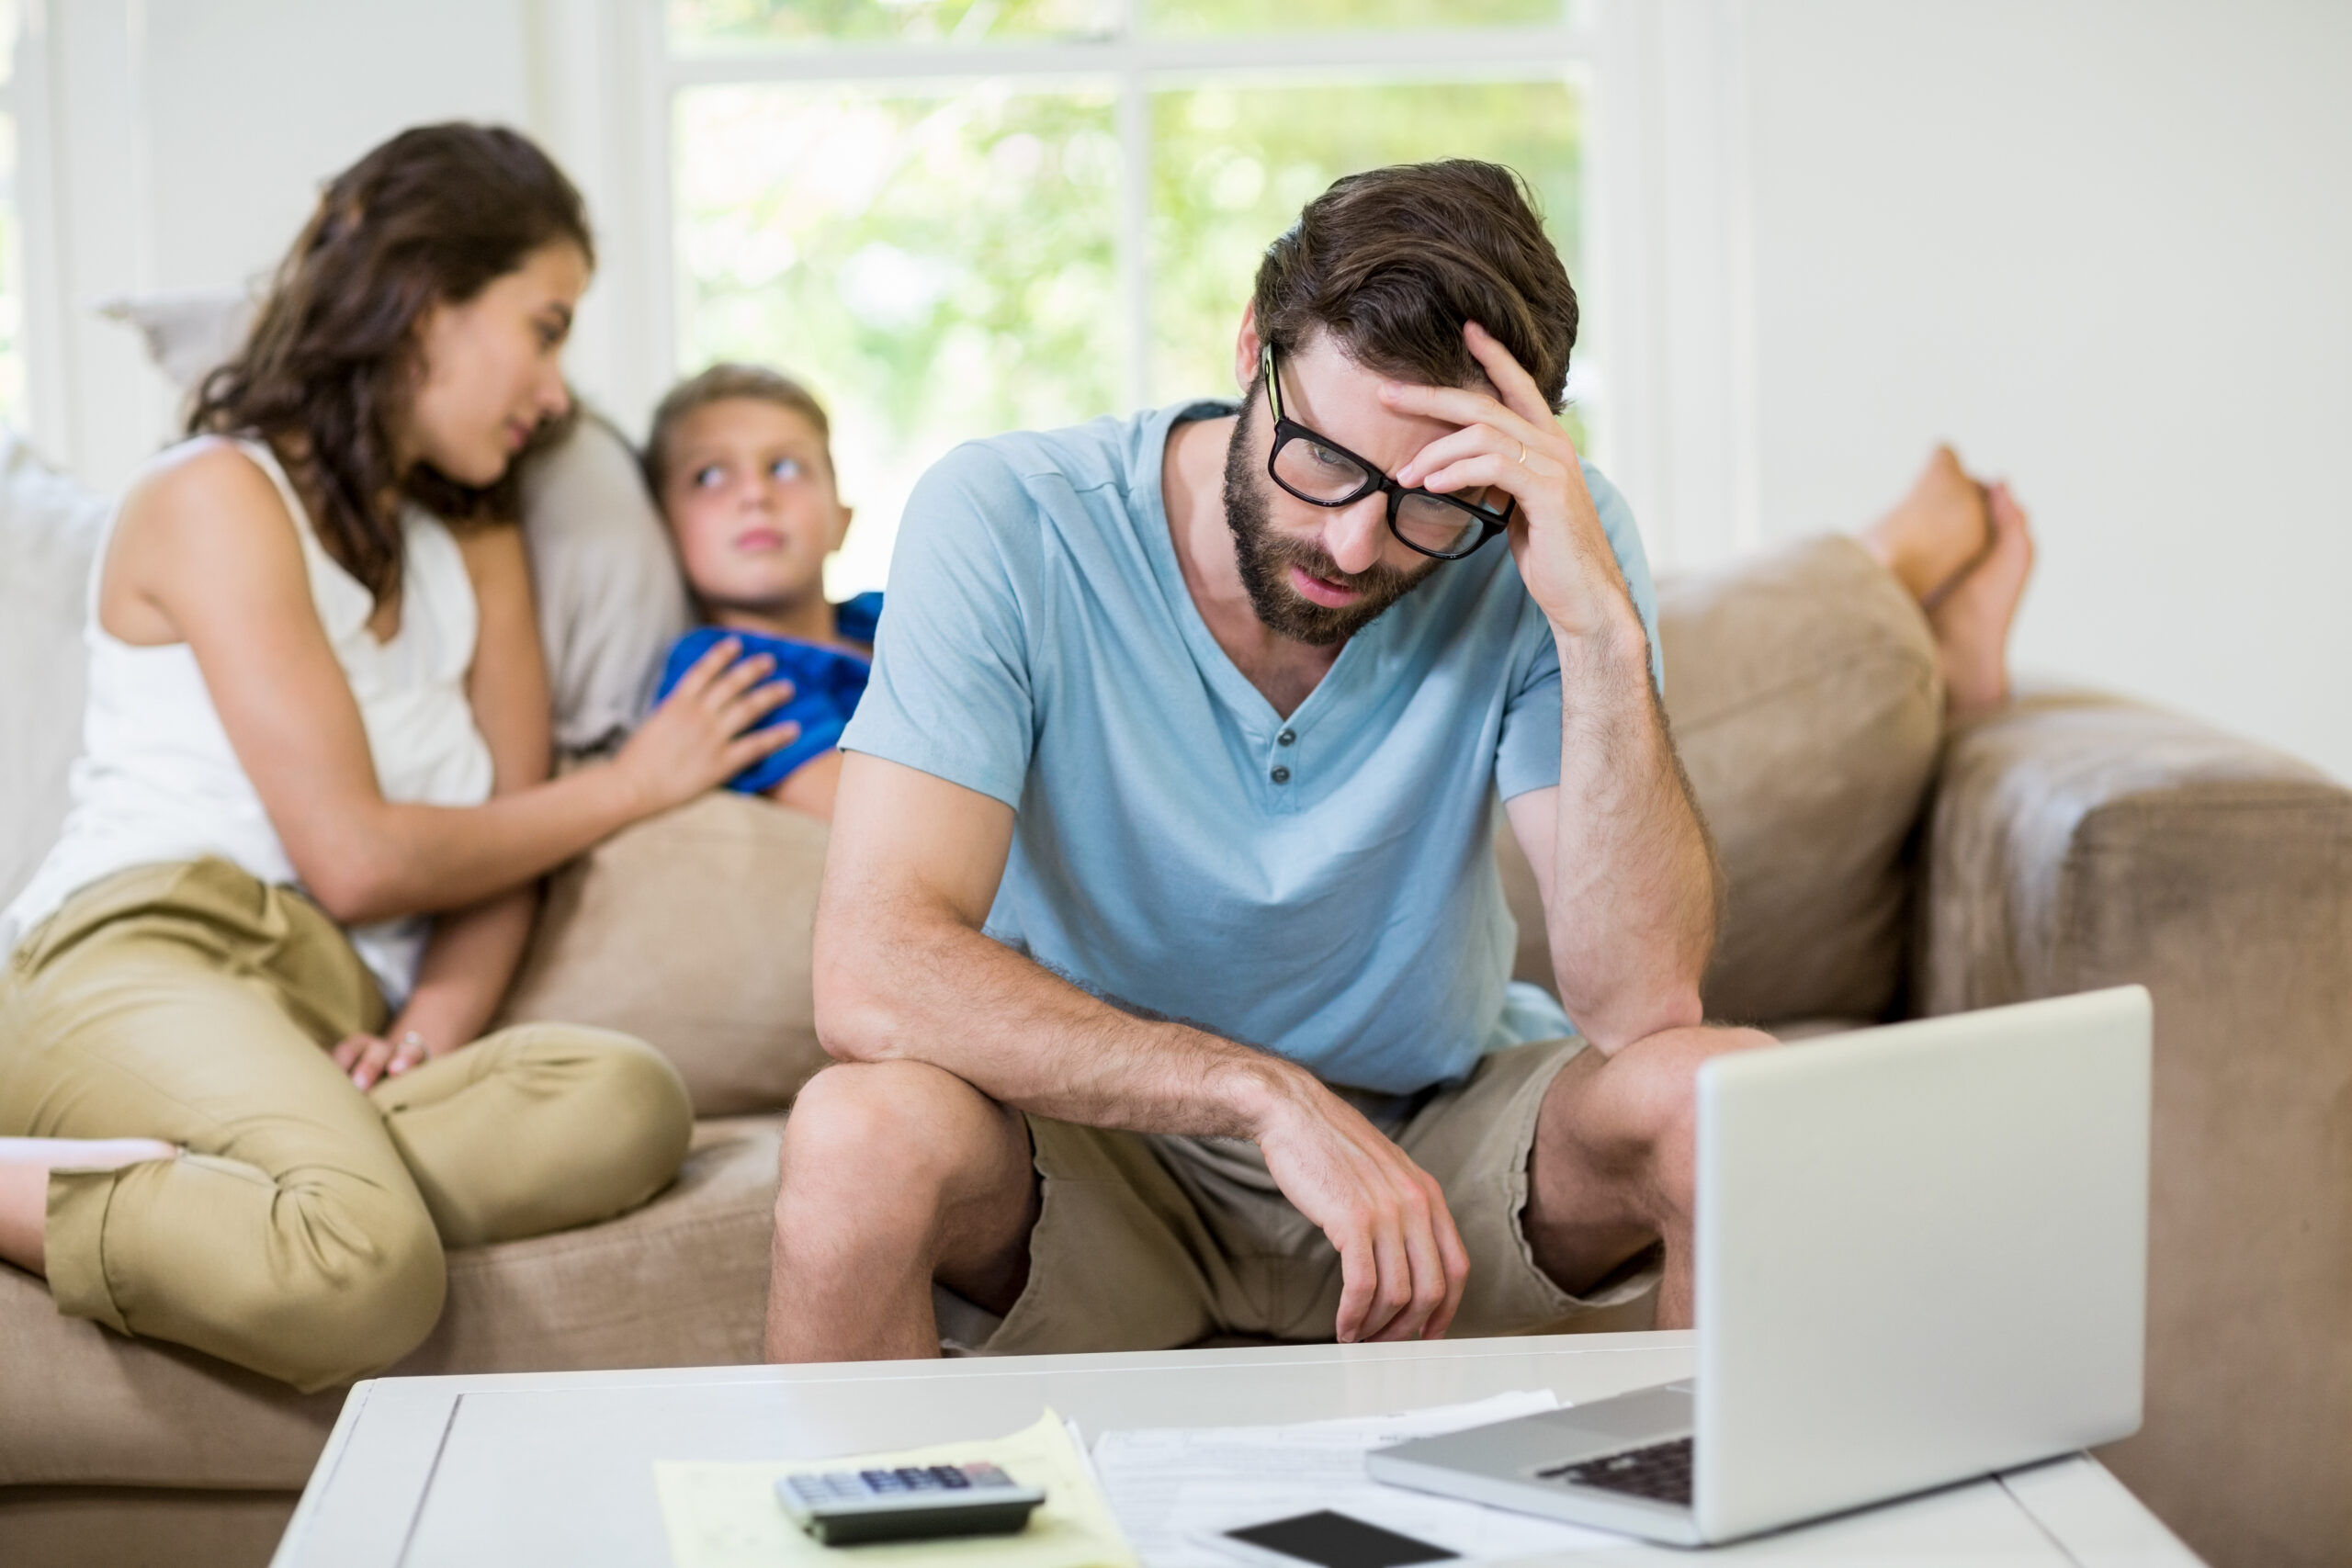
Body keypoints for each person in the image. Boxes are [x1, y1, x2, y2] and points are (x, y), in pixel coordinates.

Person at [763, 158, 2035, 1363]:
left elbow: (1640, 1005)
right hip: (1103, 1153)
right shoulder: (1009, 519)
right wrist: (1262, 1095)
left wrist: (1597, 627)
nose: (1357, 546)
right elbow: (872, 968)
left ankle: (1709, 1504)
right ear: (1253, 348)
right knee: (855, 1131)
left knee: (1723, 1098)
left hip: (1437, 1150)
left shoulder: (1542, 548)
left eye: (1434, 498)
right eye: (1324, 459)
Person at [0, 125, 797, 1392]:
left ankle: (264, 1183)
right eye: (544, 328)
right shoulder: (212, 494)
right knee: (361, 1265)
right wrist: (633, 783)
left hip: (329, 1014)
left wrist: (422, 1035)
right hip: (144, 947)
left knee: (626, 1098)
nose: (556, 392)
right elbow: (358, 859)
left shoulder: (474, 541)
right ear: (427, 301)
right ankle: (289, 1200)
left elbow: (506, 850)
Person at [641, 364, 878, 821]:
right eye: (709, 476)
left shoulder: (888, 615)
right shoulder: (727, 672)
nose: (755, 494)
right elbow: (872, 818)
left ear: (842, 519)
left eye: (785, 468)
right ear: (663, 535)